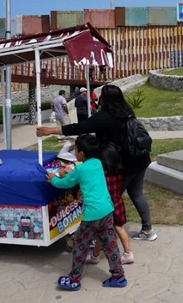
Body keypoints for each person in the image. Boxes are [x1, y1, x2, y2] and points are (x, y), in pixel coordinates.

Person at [37, 84, 157, 241]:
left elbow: (81, 127)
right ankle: (147, 230)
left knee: (108, 199)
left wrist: (52, 131)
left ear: (105, 99)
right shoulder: (127, 112)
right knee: (136, 193)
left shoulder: (105, 116)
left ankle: (101, 236)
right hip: (140, 159)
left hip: (123, 164)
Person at [47, 135, 127, 291]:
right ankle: (118, 276)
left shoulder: (81, 168)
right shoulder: (97, 163)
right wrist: (69, 174)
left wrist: (53, 180)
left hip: (92, 215)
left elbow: (66, 183)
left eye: (76, 150)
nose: (75, 153)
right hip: (107, 210)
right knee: (110, 244)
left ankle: (74, 279)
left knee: (80, 244)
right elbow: (81, 176)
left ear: (82, 154)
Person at [88, 144, 134, 265]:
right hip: (118, 203)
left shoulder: (102, 175)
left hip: (106, 206)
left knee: (100, 233)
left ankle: (95, 256)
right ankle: (127, 253)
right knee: (119, 227)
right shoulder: (119, 171)